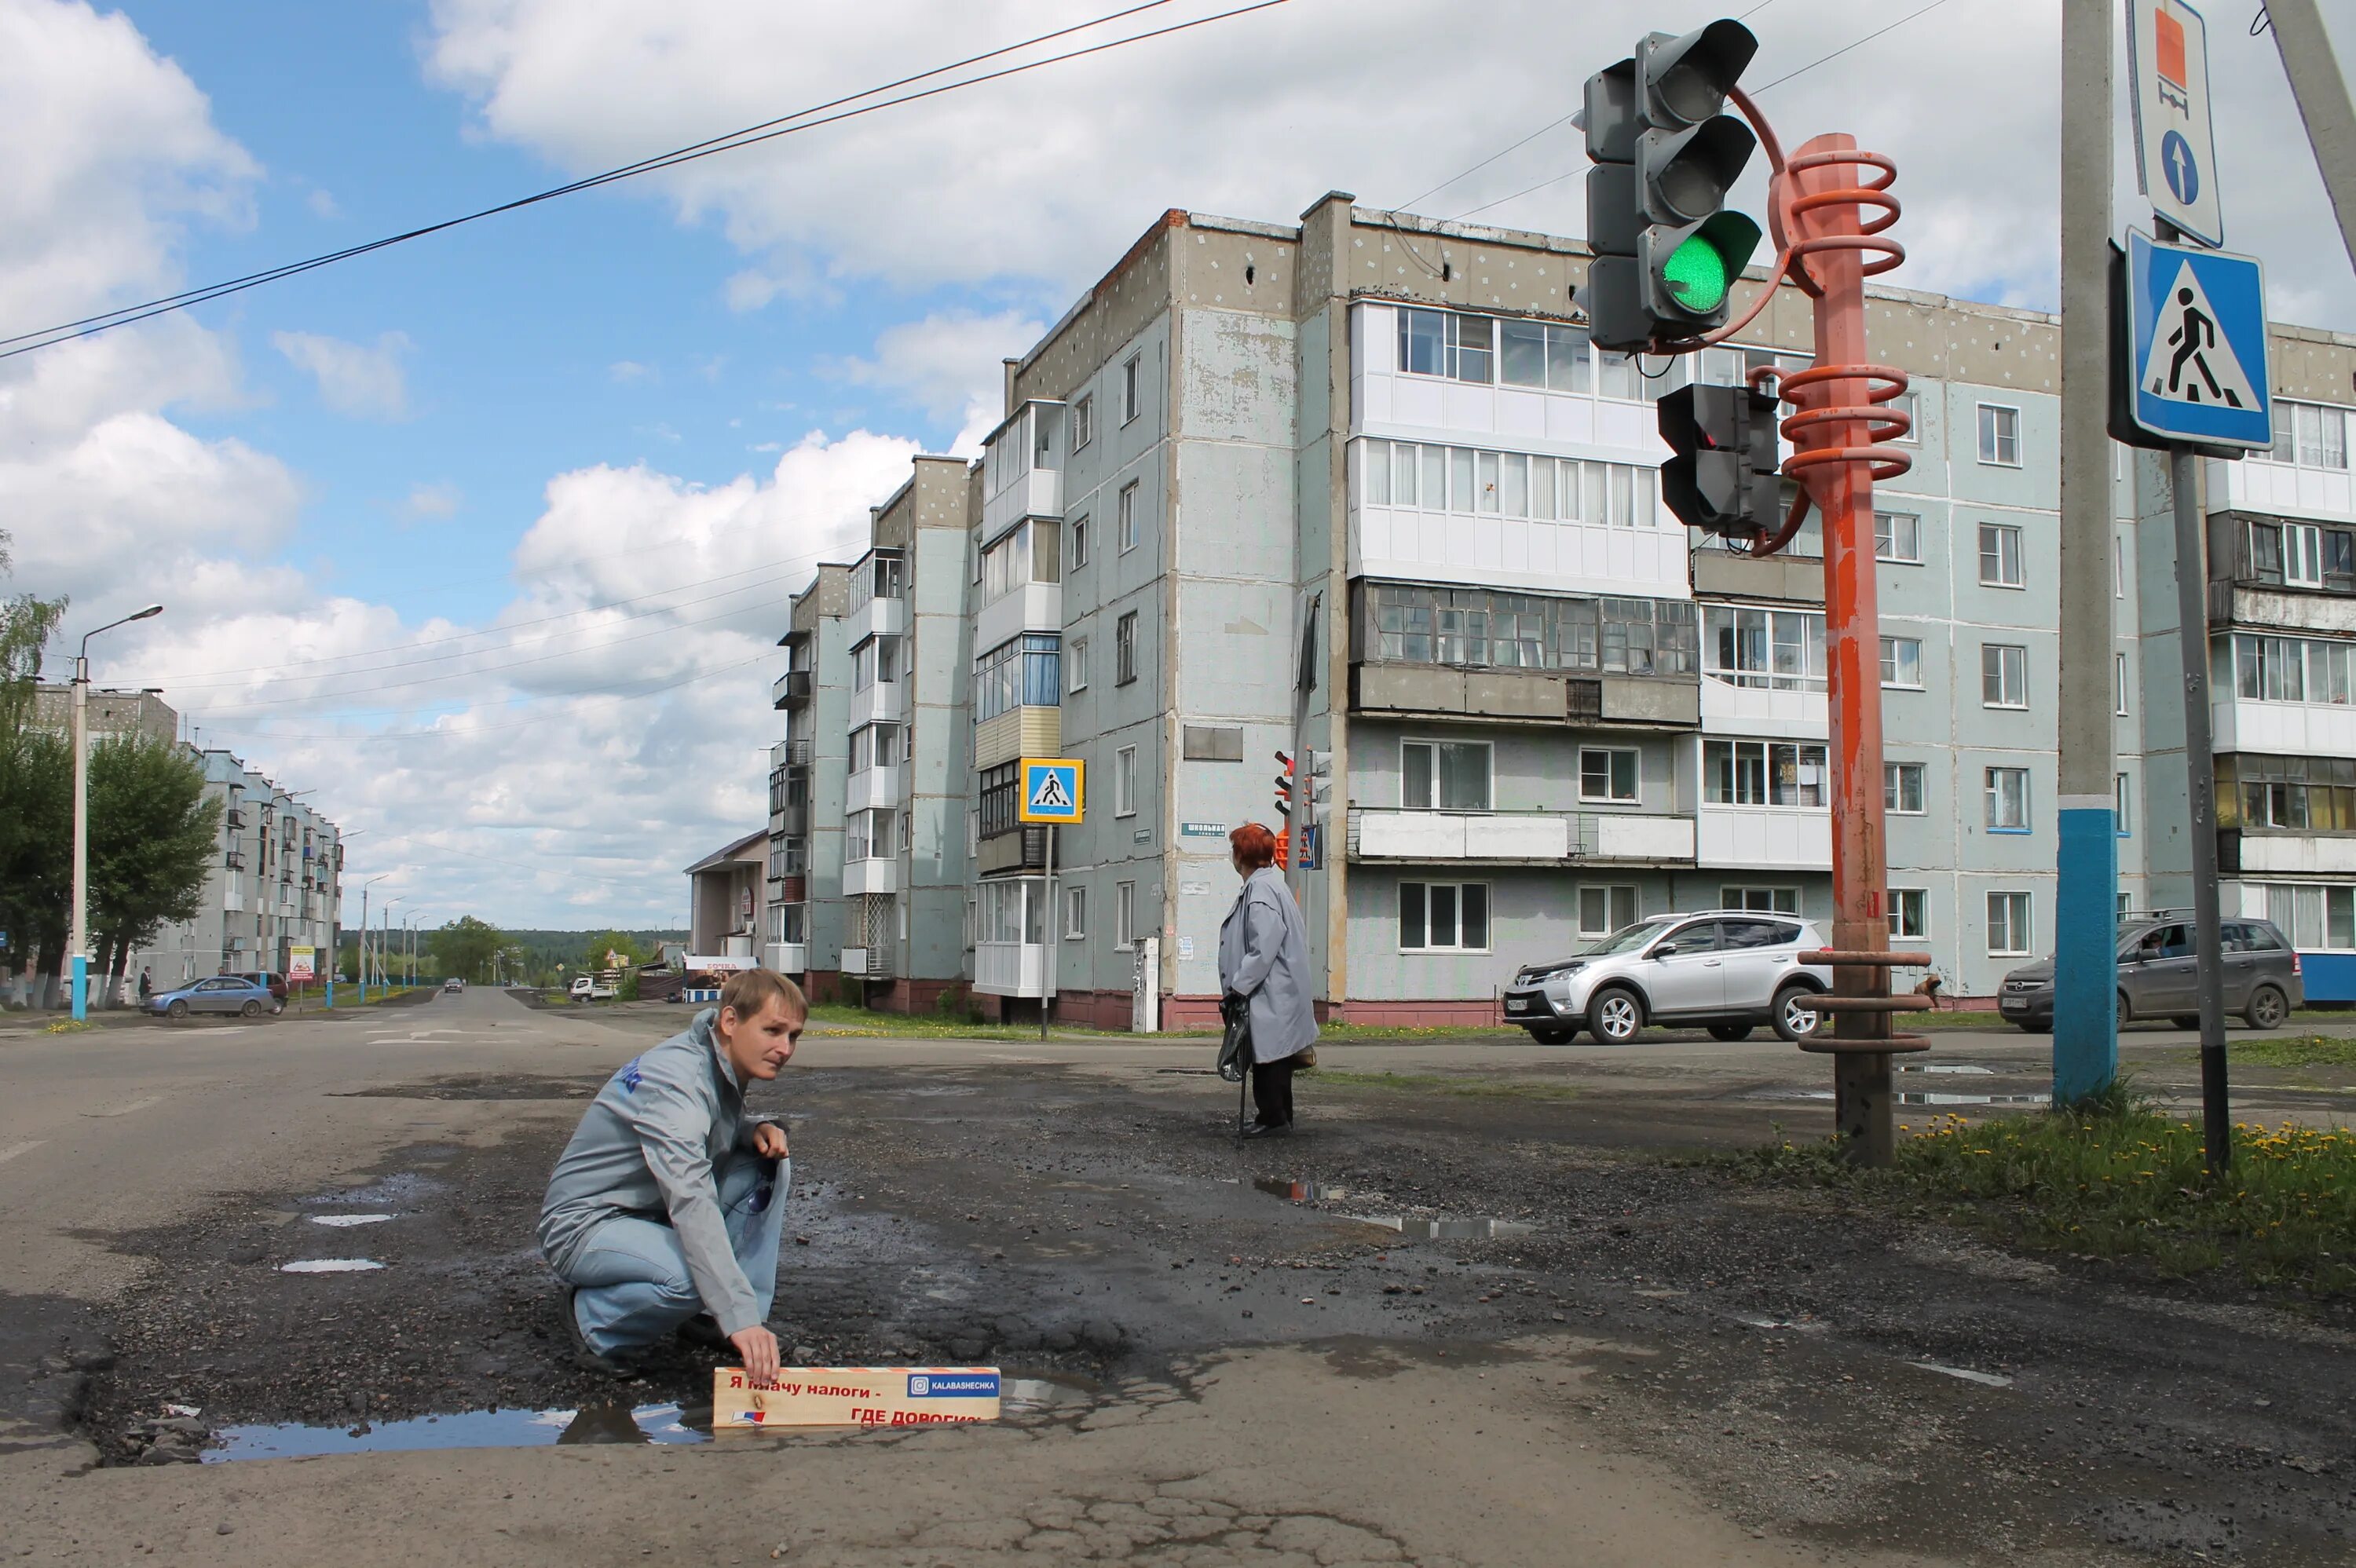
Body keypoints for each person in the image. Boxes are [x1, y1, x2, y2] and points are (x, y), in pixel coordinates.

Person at [538, 967, 804, 1380]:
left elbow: (703, 1131)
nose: (785, 1048)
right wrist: (737, 1311)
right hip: (586, 1225)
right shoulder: (678, 1081)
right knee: (695, 1277)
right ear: (731, 1021)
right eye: (773, 1031)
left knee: (765, 1164)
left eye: (793, 1036)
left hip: (643, 1210)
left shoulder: (712, 1055)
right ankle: (593, 1321)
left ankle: (711, 1319)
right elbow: (691, 1199)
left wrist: (752, 1129)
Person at [1218, 822, 1319, 1137]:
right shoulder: (1271, 885)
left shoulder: (1260, 891)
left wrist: (1239, 986)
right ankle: (1279, 1117)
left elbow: (1263, 947)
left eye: (1234, 849)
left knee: (1268, 1058)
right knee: (1276, 1056)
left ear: (1241, 855)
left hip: (1271, 991)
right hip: (1279, 989)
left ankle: (1273, 1120)